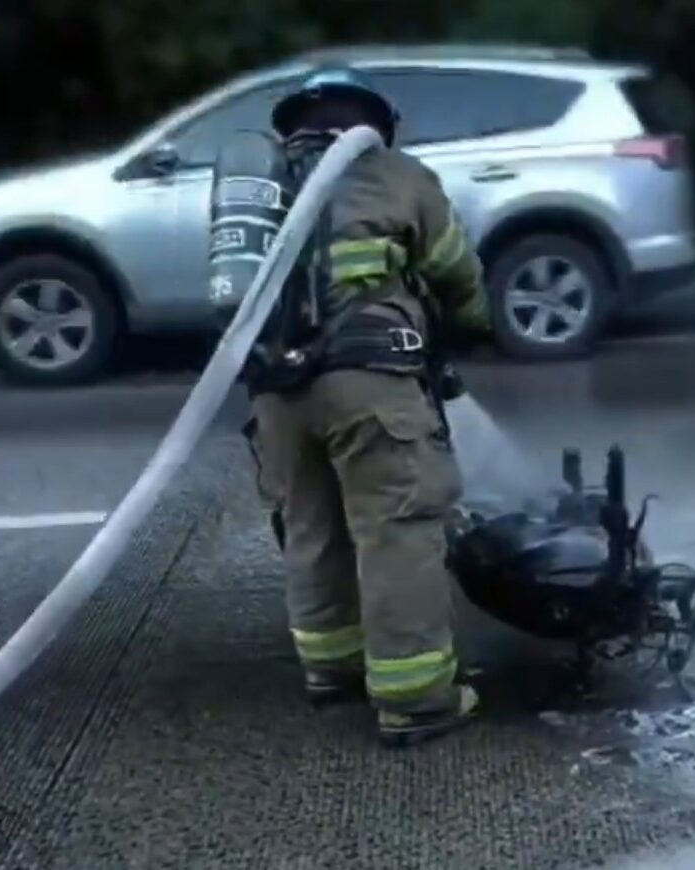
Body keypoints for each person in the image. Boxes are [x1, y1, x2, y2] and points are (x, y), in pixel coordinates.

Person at [239, 66, 492, 747]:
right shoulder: (396, 175)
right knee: (397, 530)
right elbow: (456, 273)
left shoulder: (258, 190)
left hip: (275, 393)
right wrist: (474, 319)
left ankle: (331, 668)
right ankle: (418, 699)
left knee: (311, 524)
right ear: (372, 123)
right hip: (369, 384)